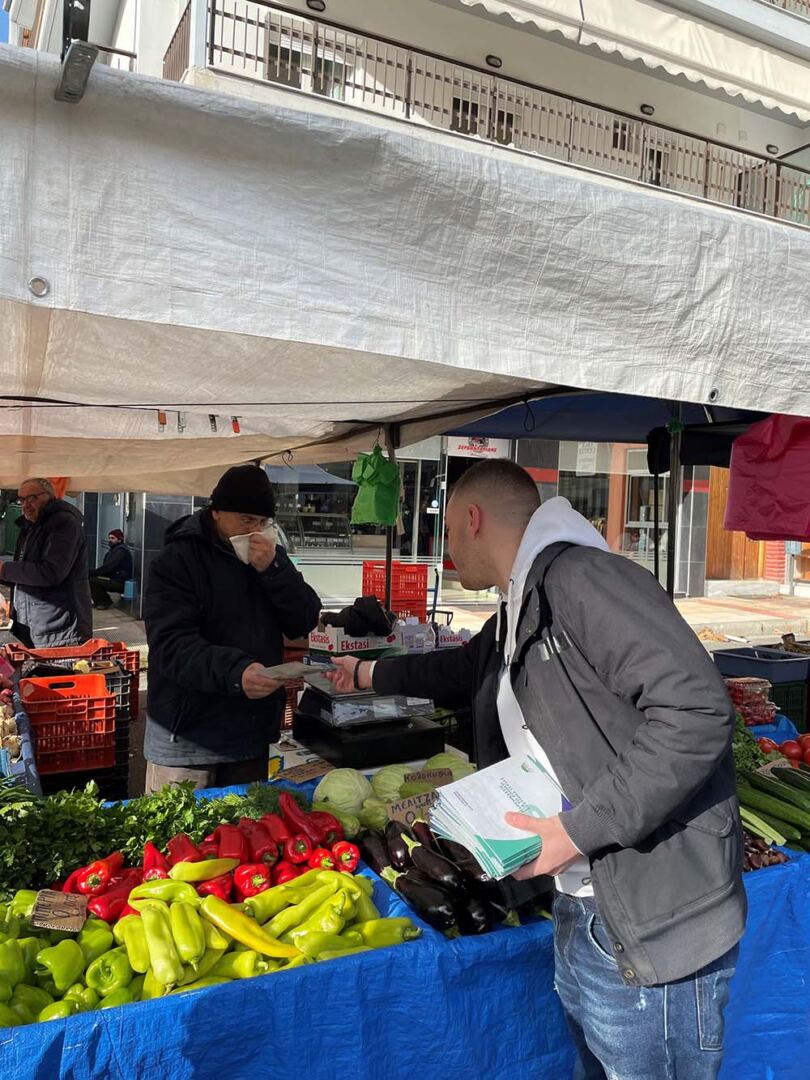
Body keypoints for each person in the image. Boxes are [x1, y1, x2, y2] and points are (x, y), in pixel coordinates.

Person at [328, 459, 744, 1079]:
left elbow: (697, 711)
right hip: (584, 906)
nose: (445, 557)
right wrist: (367, 674)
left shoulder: (584, 579)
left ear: (473, 520)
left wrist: (577, 830)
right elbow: (462, 670)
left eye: (445, 536)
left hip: (650, 919)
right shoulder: (525, 601)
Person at [143, 464, 321, 794]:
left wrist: (274, 570)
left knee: (246, 836)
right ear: (216, 512)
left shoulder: (271, 558)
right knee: (178, 837)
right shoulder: (176, 559)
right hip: (187, 737)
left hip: (251, 733)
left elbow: (305, 619)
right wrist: (235, 672)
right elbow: (170, 644)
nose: (254, 530)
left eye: (262, 522)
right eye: (245, 519)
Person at [0, 478, 92, 648]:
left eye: (32, 498)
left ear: (49, 496)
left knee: (60, 674)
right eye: (21, 499)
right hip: (35, 626)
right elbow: (26, 573)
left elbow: (50, 572)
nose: (25, 504)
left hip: (60, 630)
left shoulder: (64, 523)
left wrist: (5, 570)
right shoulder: (30, 526)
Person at [89, 529, 134, 609]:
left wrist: (93, 572)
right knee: (91, 579)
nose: (110, 540)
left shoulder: (120, 551)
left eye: (113, 538)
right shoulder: (113, 550)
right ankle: (100, 601)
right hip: (115, 578)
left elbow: (108, 567)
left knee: (92, 581)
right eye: (109, 538)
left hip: (121, 582)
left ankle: (104, 602)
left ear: (120, 540)